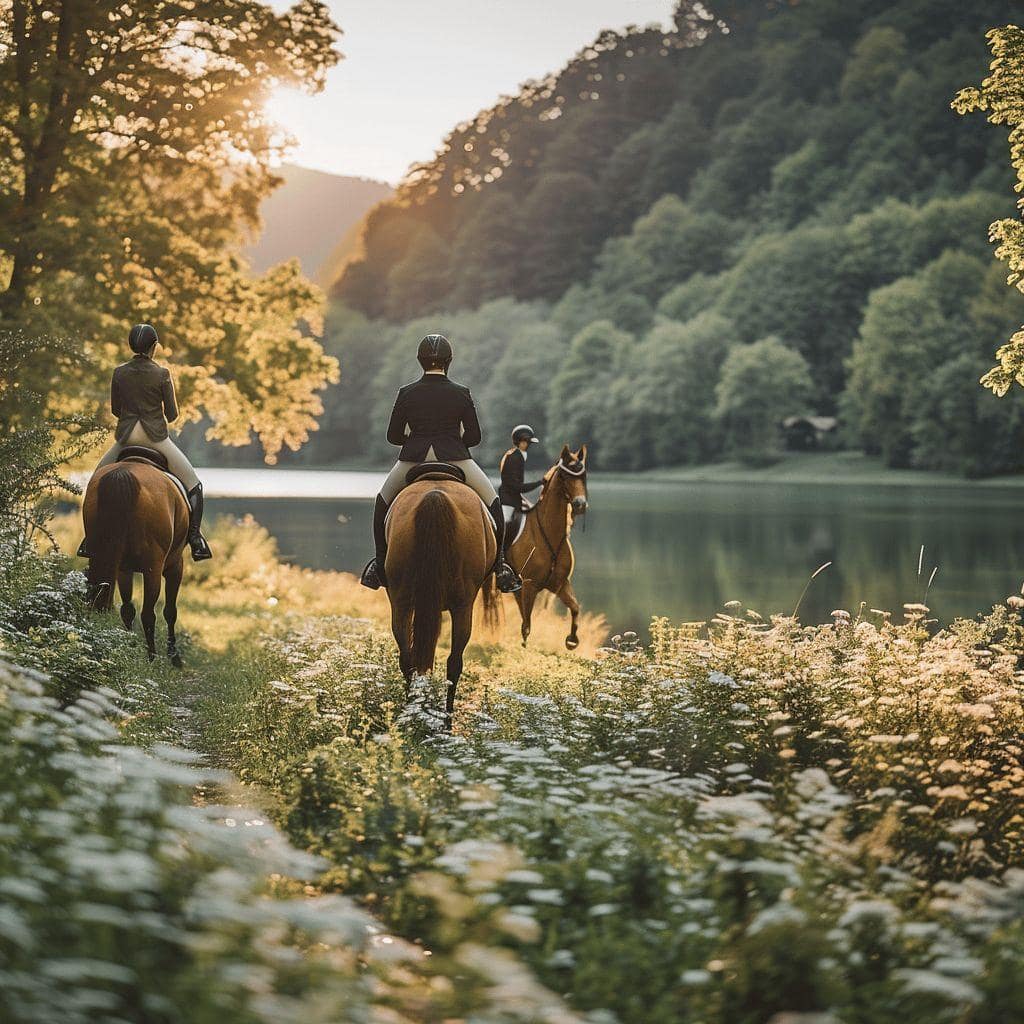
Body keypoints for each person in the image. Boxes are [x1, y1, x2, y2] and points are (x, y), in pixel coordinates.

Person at [359, 333, 521, 593]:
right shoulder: (461, 393)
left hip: (413, 459)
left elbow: (393, 436)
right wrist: (452, 440)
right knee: (494, 503)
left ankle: (379, 564)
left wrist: (415, 439)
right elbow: (474, 437)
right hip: (455, 457)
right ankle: (501, 565)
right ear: (449, 360)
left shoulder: (406, 392)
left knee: (382, 503)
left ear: (420, 360)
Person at [77, 323, 212, 561]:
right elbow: (172, 415)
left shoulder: (119, 372)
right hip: (155, 439)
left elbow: (116, 409)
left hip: (126, 437)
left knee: (95, 483)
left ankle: (90, 540)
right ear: (154, 347)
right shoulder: (162, 374)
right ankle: (195, 539)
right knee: (194, 484)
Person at [499, 424, 544, 531]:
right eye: (527, 442)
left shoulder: (518, 455)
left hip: (514, 498)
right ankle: (500, 547)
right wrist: (539, 483)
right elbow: (516, 486)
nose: (528, 445)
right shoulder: (514, 458)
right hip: (508, 501)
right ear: (520, 442)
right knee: (505, 526)